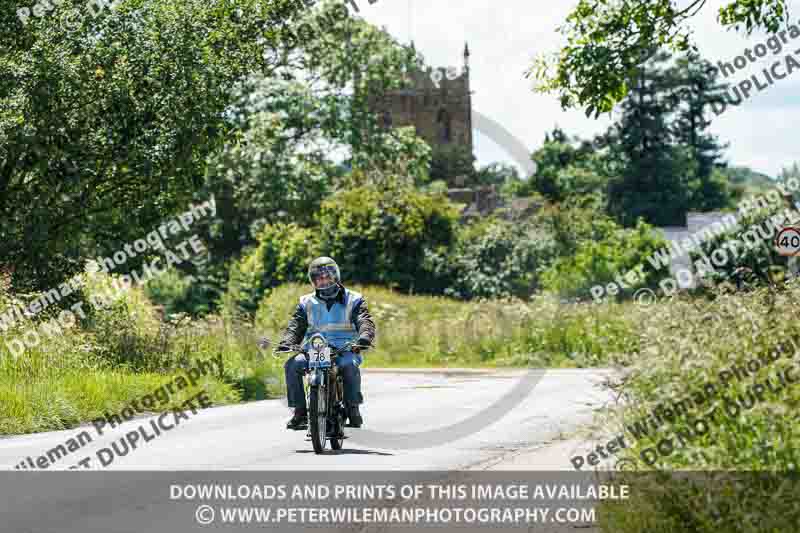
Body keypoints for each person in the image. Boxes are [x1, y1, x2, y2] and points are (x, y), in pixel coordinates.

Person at [276, 257, 376, 430]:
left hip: (344, 349)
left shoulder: (354, 299)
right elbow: (295, 326)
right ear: (313, 281)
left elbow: (364, 321)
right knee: (292, 365)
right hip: (315, 350)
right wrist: (287, 342)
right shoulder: (305, 302)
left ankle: (352, 408)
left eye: (327, 277)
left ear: (335, 277)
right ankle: (300, 412)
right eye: (318, 278)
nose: (323, 281)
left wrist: (365, 337)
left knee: (349, 366)